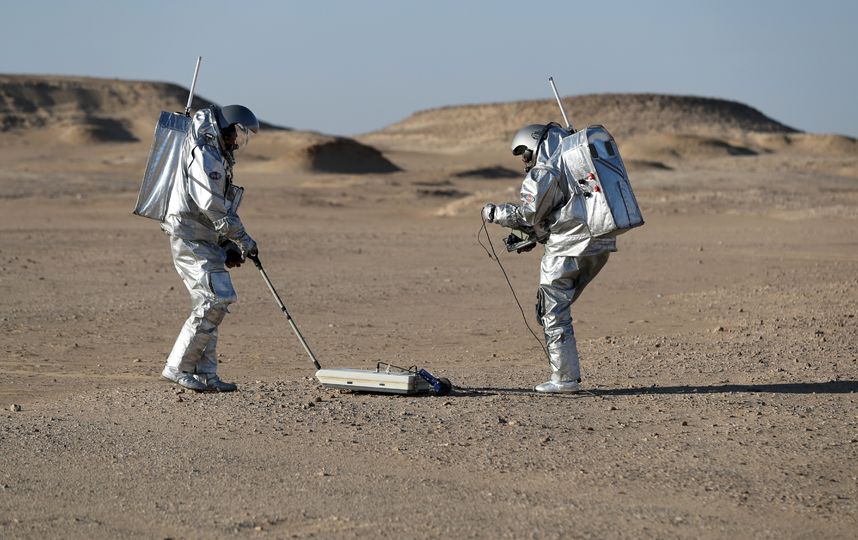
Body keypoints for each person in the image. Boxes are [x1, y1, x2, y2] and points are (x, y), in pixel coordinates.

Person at [482, 123, 616, 393]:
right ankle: (565, 375)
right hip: (599, 243)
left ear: (535, 145)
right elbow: (564, 213)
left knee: (552, 311)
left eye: (525, 153)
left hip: (568, 248)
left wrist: (496, 213)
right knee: (556, 309)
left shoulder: (545, 171)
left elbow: (529, 214)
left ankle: (564, 379)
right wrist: (536, 236)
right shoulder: (570, 164)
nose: (524, 160)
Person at [159, 104, 260, 392]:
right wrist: (242, 238)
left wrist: (227, 242)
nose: (235, 142)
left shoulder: (216, 154)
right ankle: (177, 367)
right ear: (221, 131)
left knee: (210, 302)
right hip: (190, 236)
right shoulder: (204, 155)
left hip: (204, 236)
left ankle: (205, 374)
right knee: (215, 299)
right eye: (233, 135)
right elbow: (211, 205)